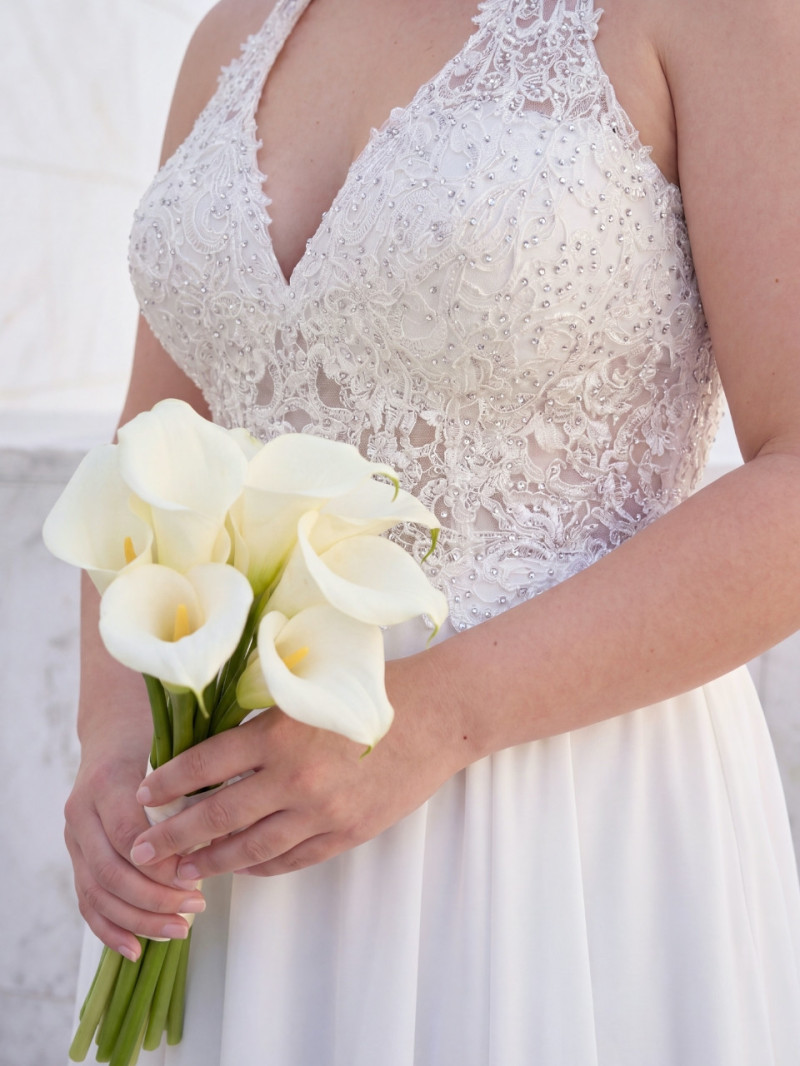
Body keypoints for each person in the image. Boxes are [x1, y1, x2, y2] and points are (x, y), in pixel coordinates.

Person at [66, 0, 800, 1062]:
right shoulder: (235, 33)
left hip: (559, 829)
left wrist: (433, 719)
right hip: (233, 845)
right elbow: (154, 453)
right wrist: (114, 748)